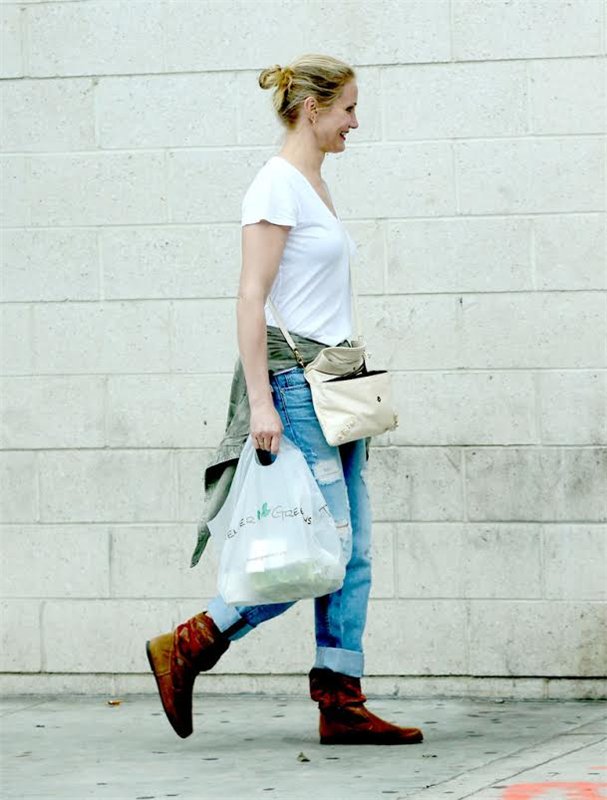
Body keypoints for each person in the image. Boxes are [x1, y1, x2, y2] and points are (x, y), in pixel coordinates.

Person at [146, 53, 423, 747]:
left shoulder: (314, 185)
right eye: (348, 108)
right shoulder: (275, 186)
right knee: (318, 549)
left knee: (353, 554)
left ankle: (341, 701)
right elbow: (251, 298)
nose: (355, 122)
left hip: (338, 384)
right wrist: (262, 404)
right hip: (297, 388)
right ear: (312, 108)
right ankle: (191, 642)